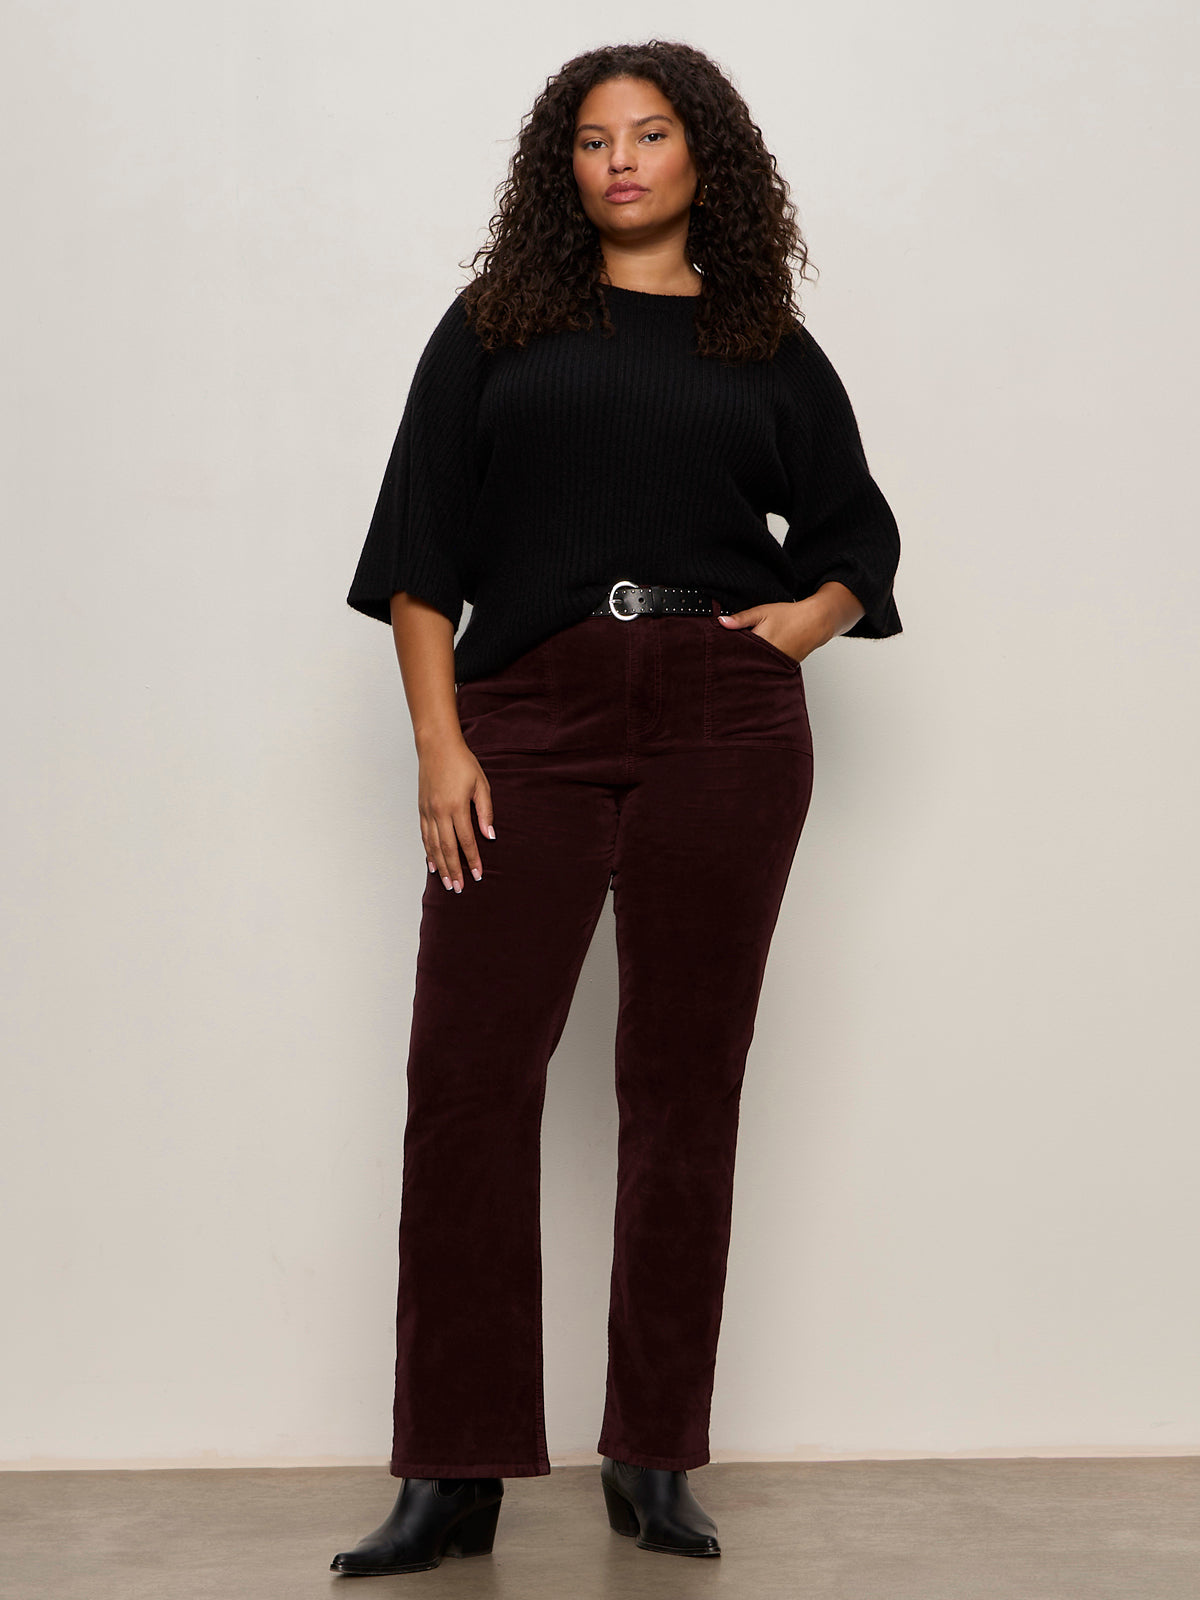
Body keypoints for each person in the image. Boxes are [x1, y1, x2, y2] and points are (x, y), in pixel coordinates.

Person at [330, 40, 902, 1578]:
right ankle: (451, 1476)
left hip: (724, 725)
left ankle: (651, 1453)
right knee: (466, 1082)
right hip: (525, 720)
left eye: (652, 135)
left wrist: (796, 621)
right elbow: (415, 559)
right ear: (560, 168)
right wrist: (444, 750)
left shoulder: (761, 339)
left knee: (682, 1086)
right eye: (593, 140)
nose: (624, 160)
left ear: (704, 158)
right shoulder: (496, 329)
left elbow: (859, 533)